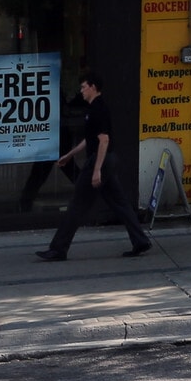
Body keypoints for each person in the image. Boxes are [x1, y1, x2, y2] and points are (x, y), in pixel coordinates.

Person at [34, 71, 152, 261]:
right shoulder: (93, 108)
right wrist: (69, 155)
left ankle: (58, 249)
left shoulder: (99, 109)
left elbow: (103, 140)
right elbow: (89, 140)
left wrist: (97, 170)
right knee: (120, 203)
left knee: (77, 206)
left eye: (83, 87)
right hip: (105, 161)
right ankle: (140, 241)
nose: (81, 90)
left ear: (93, 87)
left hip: (100, 161)